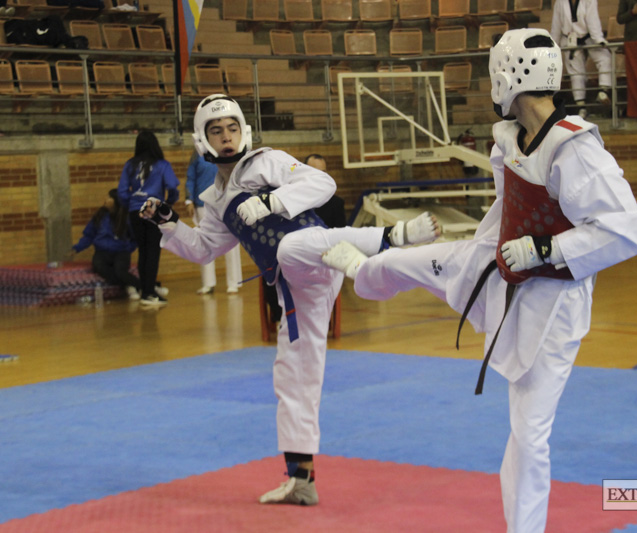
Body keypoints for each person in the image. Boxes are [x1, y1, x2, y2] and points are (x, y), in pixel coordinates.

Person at [322, 28, 637, 533]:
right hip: (496, 263)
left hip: (553, 303)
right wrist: (479, 249)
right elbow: (508, 203)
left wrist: (546, 249)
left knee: (530, 431)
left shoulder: (575, 150)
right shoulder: (509, 139)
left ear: (508, 74)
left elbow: (625, 230)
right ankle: (365, 270)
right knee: (415, 261)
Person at [139, 94, 441, 506]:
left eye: (231, 128)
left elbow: (322, 183)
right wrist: (169, 225)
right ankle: (302, 479)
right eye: (216, 131)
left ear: (243, 130)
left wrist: (270, 202)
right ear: (202, 140)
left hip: (312, 258)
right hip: (296, 289)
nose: (226, 138)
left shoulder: (266, 162)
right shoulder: (214, 199)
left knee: (290, 247)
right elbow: (205, 249)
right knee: (292, 376)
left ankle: (391, 239)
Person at [265, 153, 347, 325]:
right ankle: (284, 316)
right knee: (272, 268)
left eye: (323, 173)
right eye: (315, 172)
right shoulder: (286, 200)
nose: (319, 177)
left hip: (321, 259)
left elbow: (341, 238)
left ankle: (316, 317)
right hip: (291, 257)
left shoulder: (336, 204)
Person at [118, 131, 179, 307]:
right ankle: (149, 293)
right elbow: (173, 188)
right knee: (153, 251)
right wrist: (167, 204)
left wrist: (131, 204)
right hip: (153, 210)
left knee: (143, 251)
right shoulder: (162, 165)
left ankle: (145, 290)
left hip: (135, 211)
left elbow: (122, 191)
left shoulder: (130, 165)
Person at [185, 151, 243, 295]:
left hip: (226, 203)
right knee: (205, 243)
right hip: (202, 204)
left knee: (231, 244)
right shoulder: (197, 156)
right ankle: (208, 283)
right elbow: (190, 178)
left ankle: (233, 281)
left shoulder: (227, 153)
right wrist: (188, 200)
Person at [68, 189, 140, 300]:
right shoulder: (100, 216)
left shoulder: (126, 218)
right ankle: (128, 285)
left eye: (108, 198)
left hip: (121, 252)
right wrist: (76, 249)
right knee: (99, 267)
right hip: (102, 252)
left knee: (120, 271)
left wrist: (128, 248)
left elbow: (136, 238)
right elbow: (89, 235)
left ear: (116, 201)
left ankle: (147, 288)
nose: (105, 200)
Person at [551, 0, 613, 118]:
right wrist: (553, 44)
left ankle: (603, 91)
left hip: (589, 37)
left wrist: (598, 39)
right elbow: (556, 25)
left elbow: (593, 20)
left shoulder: (589, 1)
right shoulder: (560, 2)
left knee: (605, 58)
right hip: (569, 40)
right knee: (576, 73)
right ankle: (581, 107)